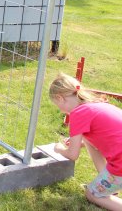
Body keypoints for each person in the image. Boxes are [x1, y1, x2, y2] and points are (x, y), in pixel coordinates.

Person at [50, 73, 122, 210]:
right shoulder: (97, 104)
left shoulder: (77, 114)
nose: (60, 110)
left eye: (57, 105)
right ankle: (110, 188)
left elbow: (72, 155)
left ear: (60, 98)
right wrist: (80, 142)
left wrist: (59, 148)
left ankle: (106, 190)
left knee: (92, 194)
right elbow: (106, 136)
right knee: (87, 139)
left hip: (120, 163)